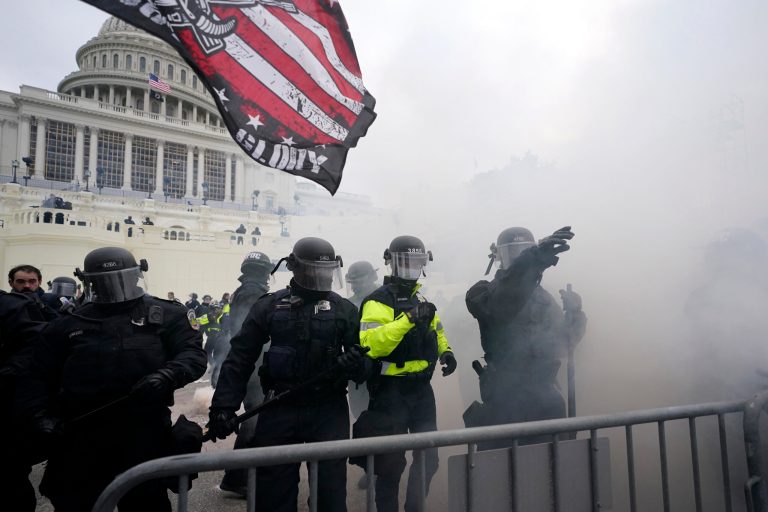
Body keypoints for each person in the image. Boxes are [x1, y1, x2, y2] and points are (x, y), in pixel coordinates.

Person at [18, 247, 207, 511]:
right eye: (106, 282)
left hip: (144, 430)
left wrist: (167, 375)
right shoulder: (68, 324)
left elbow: (192, 354)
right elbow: (37, 375)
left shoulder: (166, 314)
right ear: (91, 282)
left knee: (145, 502)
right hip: (81, 433)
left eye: (121, 279)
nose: (116, 288)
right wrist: (40, 416)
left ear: (135, 277)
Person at [208, 237, 369, 512]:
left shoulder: (345, 310)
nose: (324, 278)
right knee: (273, 495)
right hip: (279, 408)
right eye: (317, 271)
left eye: (328, 271)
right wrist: (223, 406)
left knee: (330, 495)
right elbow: (240, 358)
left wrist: (356, 364)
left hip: (328, 411)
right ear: (294, 268)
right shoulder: (269, 306)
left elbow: (368, 367)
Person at [464, 226, 587, 449]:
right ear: (498, 257)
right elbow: (504, 303)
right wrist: (533, 259)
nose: (520, 257)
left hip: (544, 397)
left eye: (525, 251)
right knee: (502, 472)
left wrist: (575, 315)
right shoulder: (481, 293)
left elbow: (563, 344)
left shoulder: (544, 299)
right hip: (505, 398)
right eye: (514, 253)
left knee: (553, 467)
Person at [358, 235, 456, 512]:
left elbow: (437, 331)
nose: (411, 269)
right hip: (390, 392)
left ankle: (414, 507)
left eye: (416, 262)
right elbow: (372, 344)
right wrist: (407, 320)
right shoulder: (377, 301)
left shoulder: (422, 299)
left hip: (421, 393)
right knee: (389, 465)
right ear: (390, 263)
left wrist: (446, 352)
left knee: (429, 458)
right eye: (405, 262)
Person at [217, 250, 274, 496]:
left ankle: (242, 475)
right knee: (255, 419)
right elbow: (254, 332)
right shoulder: (253, 292)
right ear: (263, 271)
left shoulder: (245, 290)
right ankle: (236, 477)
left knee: (256, 417)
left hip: (249, 364)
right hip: (255, 366)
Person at [1, 290, 48, 511]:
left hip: (6, 408)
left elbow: (36, 348)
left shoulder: (12, 306)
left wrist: (7, 372)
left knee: (10, 477)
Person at [344, 261, 381, 421]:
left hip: (385, 373)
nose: (354, 287)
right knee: (361, 417)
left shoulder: (388, 299)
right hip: (358, 373)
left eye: (358, 282)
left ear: (372, 277)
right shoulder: (347, 305)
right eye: (352, 283)